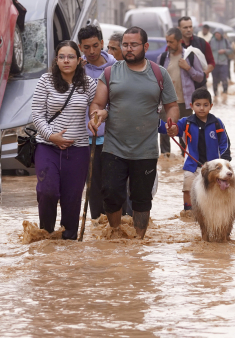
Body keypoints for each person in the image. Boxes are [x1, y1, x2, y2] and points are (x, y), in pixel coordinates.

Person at [89, 26, 182, 239]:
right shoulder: (110, 73)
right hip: (114, 147)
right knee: (111, 194)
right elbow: (97, 103)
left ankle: (139, 241)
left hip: (146, 149)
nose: (128, 49)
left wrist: (172, 123)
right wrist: (97, 116)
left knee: (141, 199)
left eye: (133, 45)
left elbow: (172, 106)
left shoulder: (159, 74)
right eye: (125, 45)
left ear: (145, 46)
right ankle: (115, 233)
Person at [31, 40, 97, 240]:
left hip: (78, 151)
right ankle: (46, 236)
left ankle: (68, 241)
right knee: (47, 191)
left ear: (79, 60)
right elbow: (36, 115)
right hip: (47, 147)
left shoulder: (89, 84)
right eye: (61, 57)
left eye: (70, 57)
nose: (66, 61)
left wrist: (95, 118)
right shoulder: (46, 81)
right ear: (56, 60)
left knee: (72, 198)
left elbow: (98, 107)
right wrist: (51, 136)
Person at [77, 25, 121, 220]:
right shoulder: (77, 69)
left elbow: (122, 103)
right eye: (86, 47)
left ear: (102, 43)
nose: (92, 51)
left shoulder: (116, 68)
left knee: (114, 187)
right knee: (92, 189)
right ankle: (98, 230)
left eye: (95, 46)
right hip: (86, 140)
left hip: (113, 138)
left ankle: (117, 227)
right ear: (80, 47)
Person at [171, 88, 230, 216]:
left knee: (215, 189)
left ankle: (214, 213)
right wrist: (169, 127)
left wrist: (225, 160)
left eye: (205, 105)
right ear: (191, 106)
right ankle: (188, 213)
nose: (201, 108)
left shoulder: (217, 123)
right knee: (188, 188)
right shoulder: (185, 122)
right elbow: (173, 130)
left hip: (213, 168)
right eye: (198, 105)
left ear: (211, 106)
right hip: (192, 165)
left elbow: (224, 143)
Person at [159, 27, 204, 157]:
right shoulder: (162, 58)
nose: (168, 45)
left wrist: (188, 68)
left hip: (185, 102)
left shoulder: (190, 56)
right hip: (166, 102)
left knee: (184, 133)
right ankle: (166, 161)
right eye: (167, 41)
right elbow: (155, 79)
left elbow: (200, 77)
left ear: (179, 41)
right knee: (164, 133)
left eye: (171, 42)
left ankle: (185, 160)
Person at [178, 16, 215, 87]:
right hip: (181, 86)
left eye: (190, 27)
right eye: (185, 27)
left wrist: (204, 73)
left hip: (199, 85)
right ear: (179, 29)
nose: (189, 30)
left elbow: (211, 62)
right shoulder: (175, 45)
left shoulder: (202, 43)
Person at [209, 29, 232, 96]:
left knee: (224, 79)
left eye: (218, 33)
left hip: (223, 63)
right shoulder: (211, 41)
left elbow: (231, 50)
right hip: (214, 63)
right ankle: (215, 94)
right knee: (215, 80)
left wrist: (224, 51)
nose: (217, 35)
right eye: (215, 34)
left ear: (221, 34)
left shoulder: (225, 41)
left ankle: (225, 93)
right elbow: (208, 51)